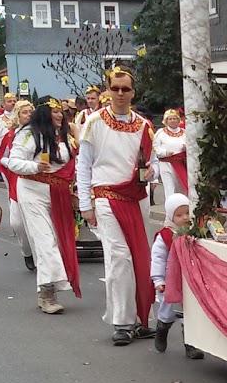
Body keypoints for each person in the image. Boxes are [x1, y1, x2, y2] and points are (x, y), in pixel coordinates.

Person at [77, 68, 157, 346]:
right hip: (106, 195)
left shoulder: (145, 126)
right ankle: (121, 322)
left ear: (133, 92)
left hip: (136, 198)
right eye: (116, 88)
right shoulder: (95, 122)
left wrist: (151, 174)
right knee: (119, 257)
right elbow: (83, 164)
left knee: (140, 258)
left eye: (126, 89)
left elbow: (153, 163)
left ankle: (140, 320)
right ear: (107, 90)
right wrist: (85, 204)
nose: (120, 94)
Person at [2, 99, 82, 314]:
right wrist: (35, 166)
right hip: (32, 190)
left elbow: (74, 164)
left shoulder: (65, 136)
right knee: (45, 240)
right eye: (55, 112)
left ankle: (47, 289)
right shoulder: (29, 134)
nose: (59, 115)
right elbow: (12, 161)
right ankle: (47, 293)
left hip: (58, 194)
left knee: (57, 239)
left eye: (61, 112)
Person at [151, 192, 202, 356]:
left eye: (187, 213)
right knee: (168, 312)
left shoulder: (193, 233)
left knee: (188, 313)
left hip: (188, 280)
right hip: (170, 281)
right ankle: (162, 328)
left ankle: (191, 344)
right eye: (179, 215)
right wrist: (158, 279)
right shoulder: (165, 236)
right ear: (171, 216)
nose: (185, 217)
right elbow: (158, 258)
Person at [0, 99, 37, 271]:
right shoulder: (10, 135)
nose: (28, 115)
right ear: (18, 116)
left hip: (36, 180)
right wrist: (12, 162)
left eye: (30, 112)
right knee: (17, 223)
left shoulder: (40, 133)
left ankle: (38, 254)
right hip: (16, 179)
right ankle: (27, 251)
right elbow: (0, 157)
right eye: (24, 112)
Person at [152, 107, 189, 200]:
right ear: (166, 121)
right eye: (170, 119)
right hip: (166, 164)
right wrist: (164, 153)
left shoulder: (184, 133)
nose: (172, 121)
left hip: (181, 164)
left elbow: (191, 146)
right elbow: (155, 147)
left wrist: (186, 148)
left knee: (182, 189)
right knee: (169, 189)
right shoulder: (161, 133)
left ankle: (182, 210)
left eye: (175, 118)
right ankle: (170, 212)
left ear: (178, 120)